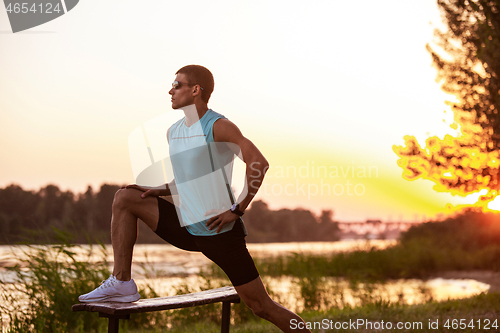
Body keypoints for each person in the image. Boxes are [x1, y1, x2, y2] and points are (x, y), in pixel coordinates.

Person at [78, 65, 312, 333]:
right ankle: (121, 282)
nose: (170, 90)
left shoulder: (218, 126)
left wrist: (237, 209)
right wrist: (162, 189)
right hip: (185, 226)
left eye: (177, 85)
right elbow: (189, 177)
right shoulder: (173, 132)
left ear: (195, 90)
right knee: (125, 197)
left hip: (219, 232)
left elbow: (259, 162)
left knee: (260, 306)